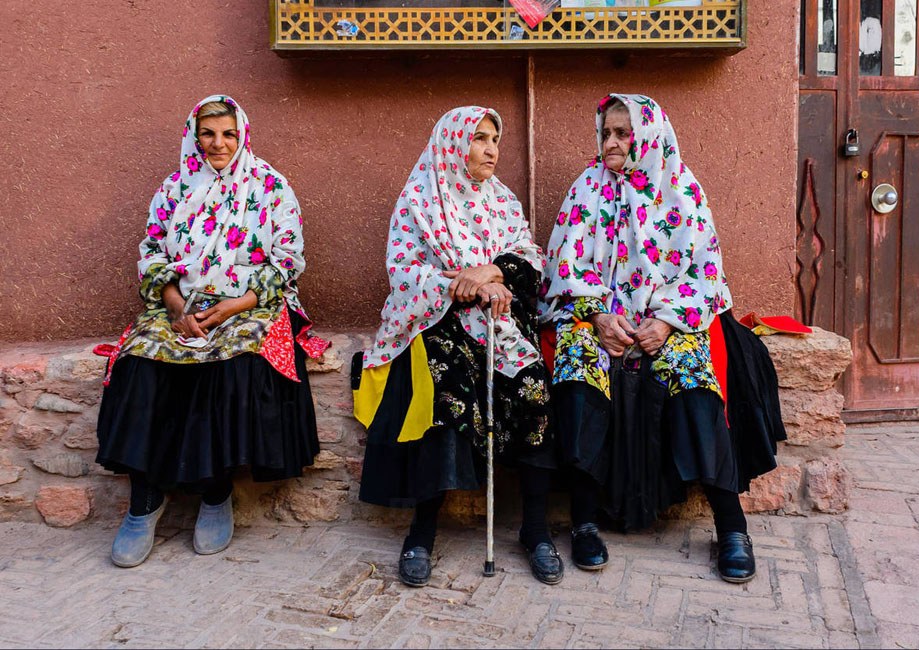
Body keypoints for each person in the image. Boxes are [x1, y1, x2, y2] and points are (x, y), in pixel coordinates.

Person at [541, 93, 786, 583]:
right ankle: (585, 520)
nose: (610, 142)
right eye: (605, 133)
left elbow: (706, 271)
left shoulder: (682, 188)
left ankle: (731, 525)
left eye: (622, 133)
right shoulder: (586, 188)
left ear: (648, 135)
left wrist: (669, 321)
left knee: (694, 380)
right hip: (602, 323)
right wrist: (597, 318)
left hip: (665, 323)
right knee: (578, 367)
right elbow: (564, 267)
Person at [96, 95, 328, 568]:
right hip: (180, 301)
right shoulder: (176, 186)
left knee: (229, 365)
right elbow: (152, 252)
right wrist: (178, 307)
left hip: (250, 302)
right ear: (194, 135)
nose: (218, 143)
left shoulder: (270, 186)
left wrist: (229, 309)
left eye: (227, 133)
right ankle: (144, 503)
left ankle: (215, 493)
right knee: (139, 362)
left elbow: (287, 262)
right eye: (208, 133)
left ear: (241, 133)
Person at [353, 106, 562, 587]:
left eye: (495, 140)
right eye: (480, 139)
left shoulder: (503, 199)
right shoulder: (419, 202)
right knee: (444, 390)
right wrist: (456, 285)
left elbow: (530, 259)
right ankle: (421, 533)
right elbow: (402, 272)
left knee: (533, 389)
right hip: (437, 320)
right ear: (453, 143)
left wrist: (489, 273)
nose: (491, 149)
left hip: (499, 320)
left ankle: (535, 530)